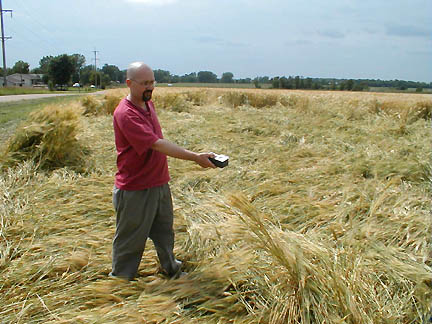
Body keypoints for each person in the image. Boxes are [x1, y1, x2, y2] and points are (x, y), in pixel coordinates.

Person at [111, 62, 216, 280]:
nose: (150, 87)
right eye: (145, 83)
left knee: (164, 233)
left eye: (152, 82)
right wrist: (195, 157)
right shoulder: (126, 114)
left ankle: (171, 268)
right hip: (135, 189)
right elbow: (157, 144)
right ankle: (120, 281)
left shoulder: (148, 105)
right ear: (129, 83)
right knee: (130, 240)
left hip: (158, 183)